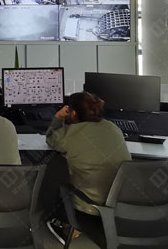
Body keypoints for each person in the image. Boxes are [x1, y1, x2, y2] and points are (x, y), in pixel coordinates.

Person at [45, 91, 131, 245]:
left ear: (73, 113)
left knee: (57, 182)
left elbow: (50, 138)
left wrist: (58, 117)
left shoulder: (68, 135)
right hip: (121, 205)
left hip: (91, 209)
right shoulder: (113, 128)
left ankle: (68, 227)